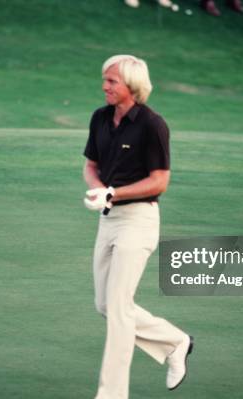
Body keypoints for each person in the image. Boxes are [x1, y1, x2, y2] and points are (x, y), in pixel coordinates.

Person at [83, 54, 193, 399]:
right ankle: (176, 341)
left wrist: (114, 193)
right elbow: (91, 164)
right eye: (105, 79)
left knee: (118, 308)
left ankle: (112, 394)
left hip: (139, 220)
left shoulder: (152, 124)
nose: (105, 86)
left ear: (132, 85)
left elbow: (159, 182)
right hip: (109, 219)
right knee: (105, 304)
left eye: (112, 81)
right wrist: (100, 191)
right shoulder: (100, 118)